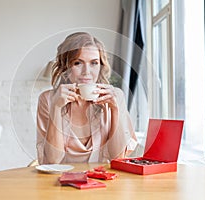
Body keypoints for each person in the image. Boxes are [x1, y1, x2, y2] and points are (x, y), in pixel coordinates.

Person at [36, 32, 137, 164]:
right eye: (78, 63)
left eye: (94, 63)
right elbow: (52, 161)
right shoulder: (48, 99)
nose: (87, 72)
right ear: (65, 67)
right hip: (59, 181)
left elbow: (118, 158)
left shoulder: (115, 96)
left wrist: (114, 109)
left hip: (103, 181)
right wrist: (56, 108)